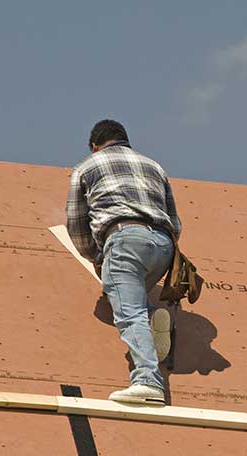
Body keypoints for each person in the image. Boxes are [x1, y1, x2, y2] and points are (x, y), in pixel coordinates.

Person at [65, 119, 181, 405]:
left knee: (128, 313)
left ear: (95, 146)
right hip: (163, 247)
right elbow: (175, 222)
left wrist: (96, 257)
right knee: (135, 301)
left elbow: (76, 224)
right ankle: (153, 317)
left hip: (124, 239)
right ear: (124, 140)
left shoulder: (86, 168)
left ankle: (147, 382)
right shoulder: (154, 166)